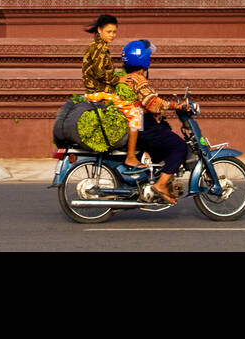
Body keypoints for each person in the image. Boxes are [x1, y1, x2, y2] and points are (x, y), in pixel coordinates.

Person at [119, 39, 187, 204]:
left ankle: (153, 181)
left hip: (135, 125)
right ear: (144, 60)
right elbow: (152, 103)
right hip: (143, 126)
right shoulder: (138, 80)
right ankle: (161, 184)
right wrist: (176, 106)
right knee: (179, 147)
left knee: (164, 133)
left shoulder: (124, 79)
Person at [80, 14, 143, 168]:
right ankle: (130, 156)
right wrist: (118, 80)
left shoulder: (98, 46)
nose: (112, 35)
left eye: (114, 32)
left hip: (98, 91)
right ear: (100, 30)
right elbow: (101, 73)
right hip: (99, 93)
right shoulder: (99, 49)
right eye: (109, 31)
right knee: (135, 114)